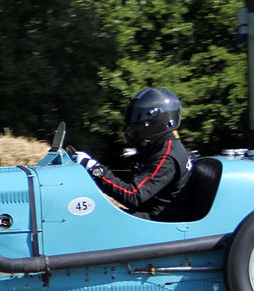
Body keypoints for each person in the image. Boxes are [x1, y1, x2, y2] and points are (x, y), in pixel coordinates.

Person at [72, 88, 193, 221]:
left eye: (139, 116)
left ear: (155, 118)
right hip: (146, 214)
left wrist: (96, 170)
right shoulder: (157, 146)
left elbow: (133, 196)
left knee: (98, 222)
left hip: (159, 221)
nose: (134, 121)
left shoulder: (166, 156)